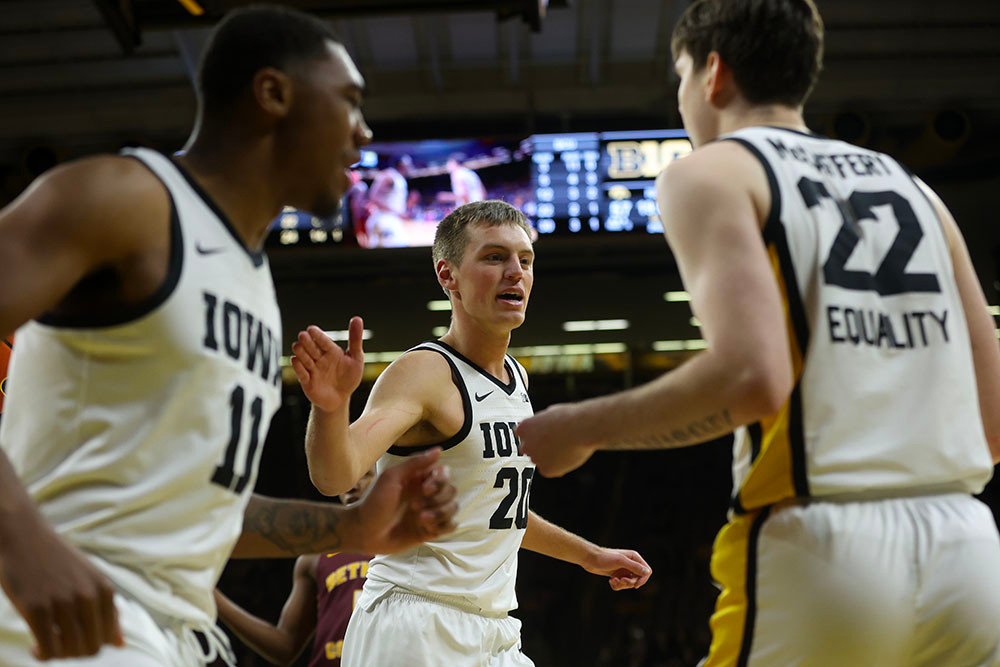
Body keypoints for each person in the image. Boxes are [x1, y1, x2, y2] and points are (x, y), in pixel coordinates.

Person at [516, 0, 1000, 664]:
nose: (683, 98)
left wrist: (581, 426)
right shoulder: (916, 190)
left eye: (680, 76)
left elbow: (752, 376)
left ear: (713, 73)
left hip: (828, 543)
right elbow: (992, 422)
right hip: (970, 549)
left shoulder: (711, 170)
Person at [0, 6, 458, 666]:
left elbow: (201, 501)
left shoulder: (252, 284)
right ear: (273, 93)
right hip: (59, 618)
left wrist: (353, 526)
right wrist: (22, 538)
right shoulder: (125, 196)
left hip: (165, 629)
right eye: (350, 102)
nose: (364, 132)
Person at [290, 200, 653, 666]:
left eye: (525, 259)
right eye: (494, 257)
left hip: (494, 627)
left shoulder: (516, 378)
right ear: (448, 276)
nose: (515, 272)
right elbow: (336, 477)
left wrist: (589, 555)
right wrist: (331, 408)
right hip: (416, 622)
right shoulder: (424, 371)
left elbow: (493, 508)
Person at [214, 469, 376, 666]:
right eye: (347, 476)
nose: (352, 485)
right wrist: (211, 596)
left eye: (365, 474)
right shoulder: (314, 557)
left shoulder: (413, 546)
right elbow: (285, 646)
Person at [365, 154, 412, 247]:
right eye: (409, 165)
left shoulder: (397, 177)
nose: (410, 168)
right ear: (402, 165)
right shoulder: (389, 176)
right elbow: (373, 197)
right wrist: (396, 212)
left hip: (390, 219)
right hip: (384, 220)